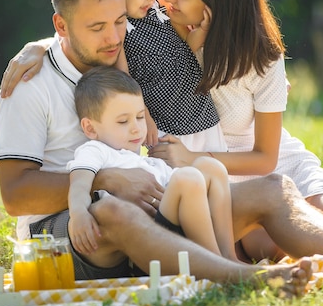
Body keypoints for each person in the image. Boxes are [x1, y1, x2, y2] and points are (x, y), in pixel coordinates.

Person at [0, 0, 323, 294]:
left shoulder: (129, 49)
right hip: (75, 234)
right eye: (97, 28)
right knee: (113, 208)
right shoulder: (31, 85)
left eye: (119, 21)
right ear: (60, 26)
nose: (113, 37)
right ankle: (245, 278)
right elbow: (14, 195)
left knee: (272, 187)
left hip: (156, 207)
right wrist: (106, 178)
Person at [2, 0, 227, 152]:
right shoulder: (121, 36)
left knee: (214, 178)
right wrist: (143, 113)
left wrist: (200, 32)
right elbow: (123, 78)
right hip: (167, 122)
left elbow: (182, 52)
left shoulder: (157, 8)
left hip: (199, 108)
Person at [68, 66, 236, 260]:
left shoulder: (143, 158)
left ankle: (229, 255)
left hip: (169, 218)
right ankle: (216, 263)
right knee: (187, 177)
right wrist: (78, 213)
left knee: (210, 166)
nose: (136, 129)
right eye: (123, 121)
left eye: (140, 117)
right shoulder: (95, 151)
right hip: (147, 232)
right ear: (90, 128)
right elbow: (79, 184)